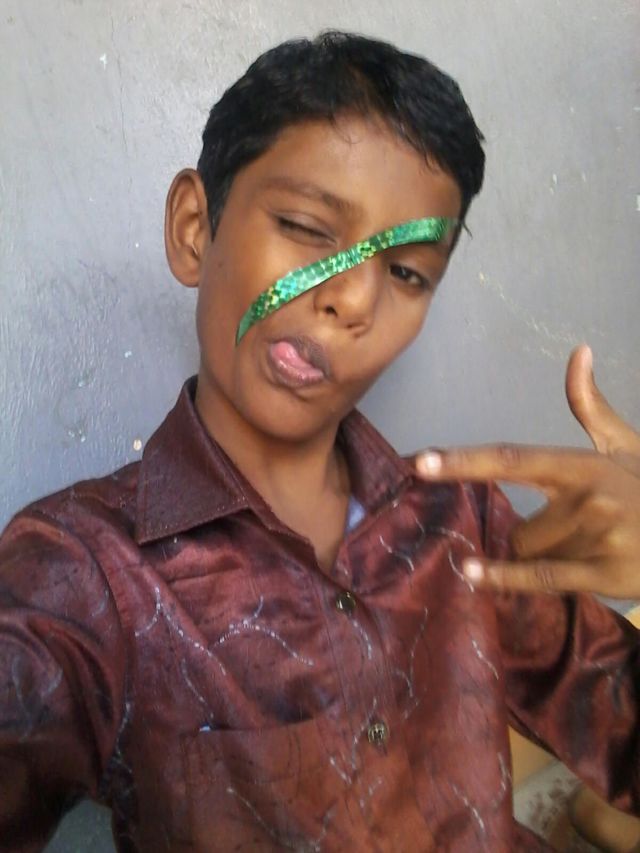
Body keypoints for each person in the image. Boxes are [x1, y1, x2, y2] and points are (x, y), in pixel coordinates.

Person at [1, 30, 639, 853]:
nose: (354, 299)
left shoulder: (461, 525)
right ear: (195, 228)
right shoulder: (82, 573)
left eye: (406, 273)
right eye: (308, 226)